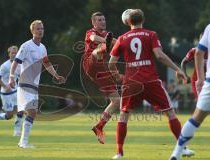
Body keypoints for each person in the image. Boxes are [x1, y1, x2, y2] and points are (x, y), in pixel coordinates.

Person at [108, 9, 194, 159]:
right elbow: (160, 56)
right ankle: (183, 148)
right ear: (143, 20)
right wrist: (177, 69)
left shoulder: (122, 38)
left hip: (131, 82)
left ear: (128, 22)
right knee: (170, 113)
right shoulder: (151, 34)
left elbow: (111, 63)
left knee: (123, 116)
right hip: (150, 81)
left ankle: (119, 153)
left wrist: (117, 75)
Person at [9, 20, 66, 148]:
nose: (41, 30)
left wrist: (56, 76)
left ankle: (22, 140)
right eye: (38, 29)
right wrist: (11, 77)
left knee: (31, 112)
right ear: (32, 31)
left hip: (34, 86)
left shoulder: (43, 48)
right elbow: (15, 62)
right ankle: (23, 142)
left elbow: (46, 64)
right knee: (32, 111)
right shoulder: (26, 46)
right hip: (24, 83)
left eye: (42, 28)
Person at [169, 24, 210, 160]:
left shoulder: (209, 28)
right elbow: (184, 61)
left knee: (196, 118)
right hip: (200, 80)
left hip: (207, 81)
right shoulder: (193, 50)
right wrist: (186, 75)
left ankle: (177, 153)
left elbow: (199, 52)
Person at [82, 12, 120, 144]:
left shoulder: (106, 33)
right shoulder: (90, 32)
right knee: (97, 50)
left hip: (100, 68)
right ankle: (103, 48)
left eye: (104, 19)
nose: (103, 21)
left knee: (116, 101)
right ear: (93, 23)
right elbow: (93, 38)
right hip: (90, 62)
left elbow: (118, 43)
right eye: (99, 20)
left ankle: (99, 126)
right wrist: (107, 42)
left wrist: (125, 43)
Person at [0, 45, 23, 137]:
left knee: (20, 110)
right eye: (12, 53)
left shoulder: (20, 65)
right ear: (9, 54)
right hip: (6, 93)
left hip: (16, 91)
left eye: (16, 53)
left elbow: (20, 77)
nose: (14, 55)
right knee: (9, 116)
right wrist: (5, 86)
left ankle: (17, 131)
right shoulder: (5, 65)